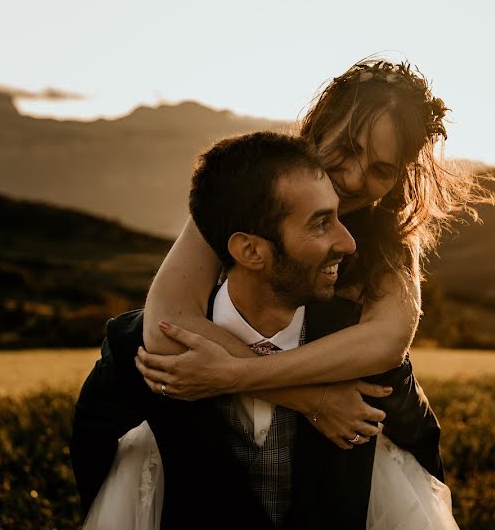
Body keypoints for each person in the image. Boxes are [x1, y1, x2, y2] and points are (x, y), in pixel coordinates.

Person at [74, 132, 454, 529]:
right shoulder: (140, 354)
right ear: (250, 251)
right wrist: (312, 398)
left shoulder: (363, 360)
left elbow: (421, 450)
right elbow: (93, 454)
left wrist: (239, 376)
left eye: (339, 216)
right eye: (322, 223)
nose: (349, 242)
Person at [134, 58, 495, 453]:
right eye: (347, 148)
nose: (355, 179)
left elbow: (386, 340)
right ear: (320, 127)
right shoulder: (253, 190)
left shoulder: (391, 237)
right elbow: (167, 323)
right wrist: (313, 400)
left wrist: (232, 373)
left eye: (380, 169)